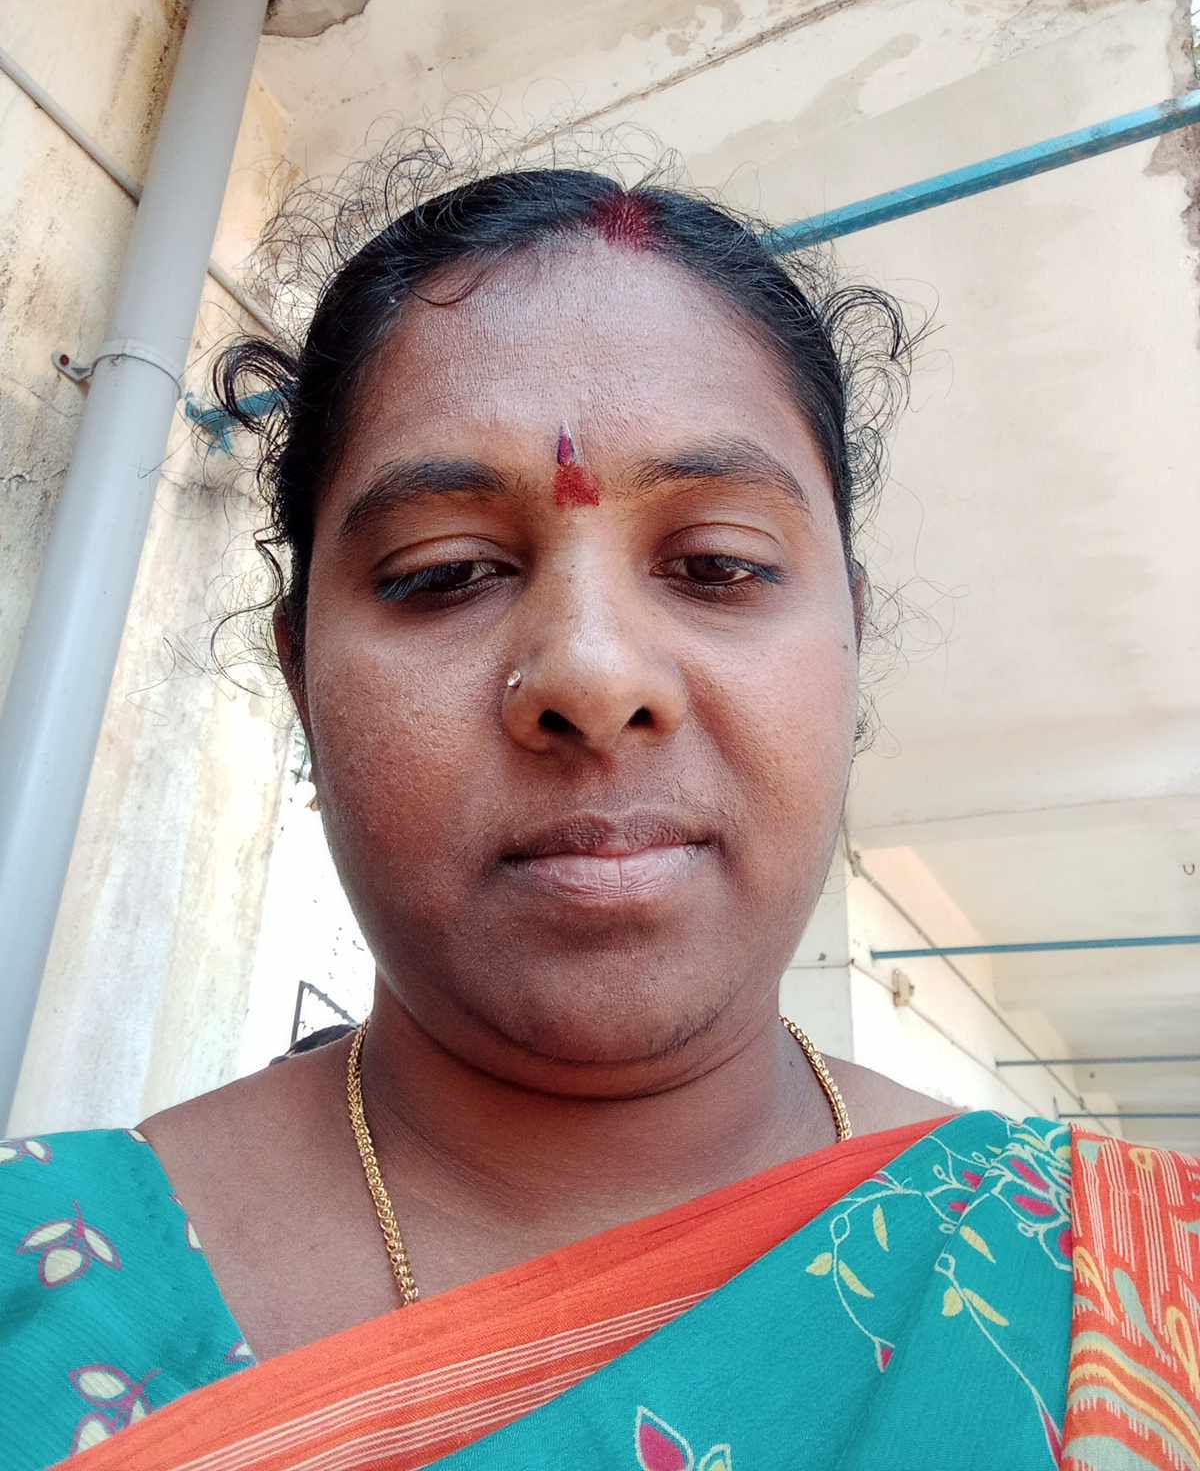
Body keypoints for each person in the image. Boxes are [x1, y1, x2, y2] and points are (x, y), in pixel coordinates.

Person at [2, 165, 1196, 1471]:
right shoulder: (33, 1295)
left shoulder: (1144, 1293)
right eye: (445, 573)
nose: (590, 673)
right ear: (303, 679)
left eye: (718, 566)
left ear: (851, 638)